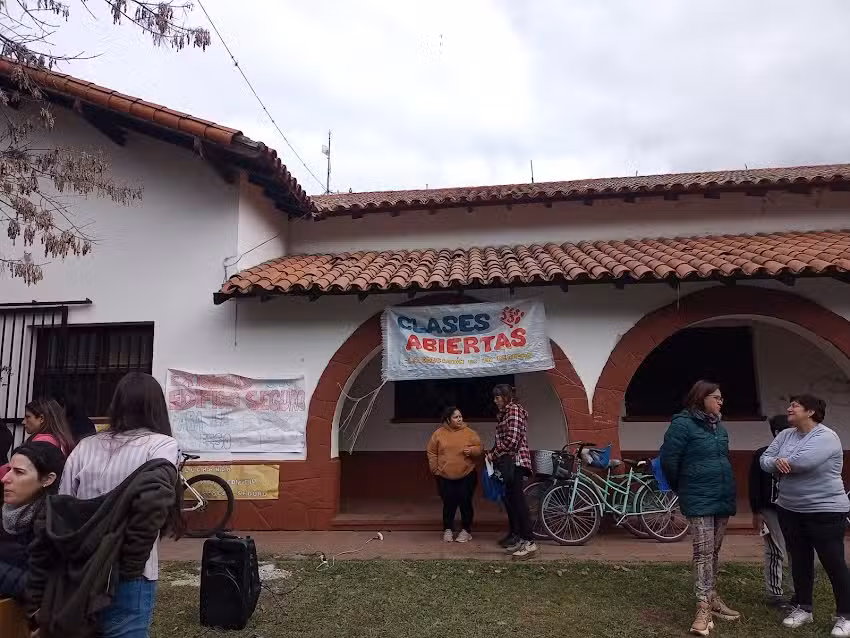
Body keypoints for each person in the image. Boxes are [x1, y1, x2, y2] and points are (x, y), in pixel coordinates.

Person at [33, 372, 180, 637]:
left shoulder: (85, 447)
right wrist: (131, 565)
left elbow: (63, 507)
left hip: (79, 571)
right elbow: (153, 507)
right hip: (130, 575)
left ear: (116, 404)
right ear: (157, 406)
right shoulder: (162, 446)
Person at [760, 394, 850, 637]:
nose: (789, 409)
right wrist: (777, 461)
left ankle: (845, 615)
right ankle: (803, 607)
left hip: (825, 510)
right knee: (799, 559)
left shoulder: (826, 437)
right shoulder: (785, 435)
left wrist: (778, 461)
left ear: (810, 412)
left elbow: (803, 462)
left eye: (795, 406)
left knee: (833, 562)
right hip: (790, 509)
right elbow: (764, 459)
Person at [660, 380, 739, 636]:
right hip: (698, 497)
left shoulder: (719, 428)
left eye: (721, 397)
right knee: (703, 553)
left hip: (721, 496)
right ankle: (702, 607)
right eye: (716, 397)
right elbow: (668, 461)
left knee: (714, 552)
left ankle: (713, 598)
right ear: (701, 397)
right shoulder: (682, 425)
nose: (720, 401)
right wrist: (683, 487)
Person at [0, 442, 65, 600]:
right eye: (9, 470)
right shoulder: (6, 513)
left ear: (47, 479)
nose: (5, 478)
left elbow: (40, 587)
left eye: (19, 472)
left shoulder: (53, 526)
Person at [749, 414, 794, 611]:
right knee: (776, 550)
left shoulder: (802, 454)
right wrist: (756, 511)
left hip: (796, 509)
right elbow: (754, 486)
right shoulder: (762, 455)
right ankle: (775, 594)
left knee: (799, 551)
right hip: (770, 510)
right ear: (777, 433)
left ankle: (799, 592)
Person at [488, 384, 537, 560]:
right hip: (509, 463)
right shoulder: (505, 414)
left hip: (516, 462)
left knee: (518, 501)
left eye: (498, 397)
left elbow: (512, 441)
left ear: (506, 396)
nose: (495, 401)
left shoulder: (514, 411)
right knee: (512, 501)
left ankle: (530, 541)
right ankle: (522, 538)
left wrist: (494, 453)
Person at [427, 406, 482, 543]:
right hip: (444, 476)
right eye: (456, 417)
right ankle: (448, 529)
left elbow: (480, 448)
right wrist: (435, 469)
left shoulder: (470, 433)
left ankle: (466, 530)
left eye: (460, 417)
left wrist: (472, 451)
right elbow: (432, 452)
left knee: (465, 502)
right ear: (448, 419)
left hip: (466, 474)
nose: (459, 419)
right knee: (448, 503)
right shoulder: (438, 434)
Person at [0, 398, 74, 481]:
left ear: (41, 418)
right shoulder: (58, 439)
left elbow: (21, 467)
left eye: (28, 417)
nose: (23, 422)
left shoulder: (43, 442)